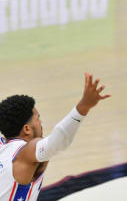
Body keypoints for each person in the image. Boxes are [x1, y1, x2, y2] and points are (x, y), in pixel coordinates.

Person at [0, 73, 110, 201]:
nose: (40, 123)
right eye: (37, 119)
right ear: (27, 129)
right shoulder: (25, 152)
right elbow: (56, 143)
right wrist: (82, 108)